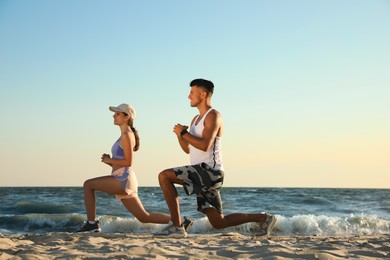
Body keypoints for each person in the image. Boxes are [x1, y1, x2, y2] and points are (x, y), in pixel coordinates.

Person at [157, 79, 277, 238]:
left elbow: (205, 145)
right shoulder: (195, 120)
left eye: (192, 92)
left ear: (203, 94)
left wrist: (184, 134)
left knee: (164, 176)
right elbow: (188, 149)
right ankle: (264, 218)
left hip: (210, 172)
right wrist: (181, 136)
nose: (188, 96)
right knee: (218, 223)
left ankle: (177, 225)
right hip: (202, 172)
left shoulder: (213, 116)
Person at [78, 103, 193, 232]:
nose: (114, 116)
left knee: (88, 185)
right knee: (144, 217)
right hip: (124, 178)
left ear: (127, 117)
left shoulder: (127, 135)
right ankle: (182, 221)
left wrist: (108, 159)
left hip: (122, 179)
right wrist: (109, 162)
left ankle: (92, 224)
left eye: (117, 113)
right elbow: (122, 162)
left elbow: (128, 162)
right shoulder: (125, 135)